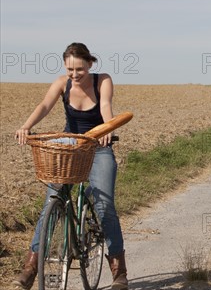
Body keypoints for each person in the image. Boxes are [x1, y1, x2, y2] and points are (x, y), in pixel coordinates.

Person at [13, 43, 129, 290]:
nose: (74, 75)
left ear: (90, 64)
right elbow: (44, 106)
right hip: (69, 149)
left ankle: (119, 272)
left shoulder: (102, 81)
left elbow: (106, 107)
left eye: (80, 69)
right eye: (70, 70)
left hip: (98, 146)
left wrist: (107, 130)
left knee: (105, 205)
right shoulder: (61, 84)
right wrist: (25, 126)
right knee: (51, 202)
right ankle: (30, 268)